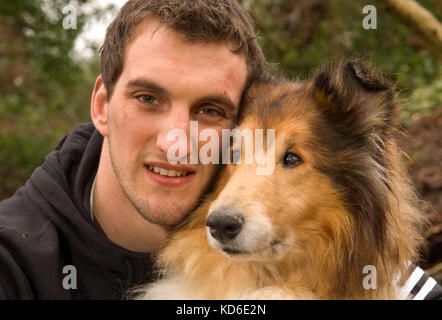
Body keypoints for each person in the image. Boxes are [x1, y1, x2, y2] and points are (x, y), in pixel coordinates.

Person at [0, 0, 440, 300]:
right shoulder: (14, 261)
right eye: (148, 98)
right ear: (100, 105)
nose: (177, 141)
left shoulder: (385, 276)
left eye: (209, 110)